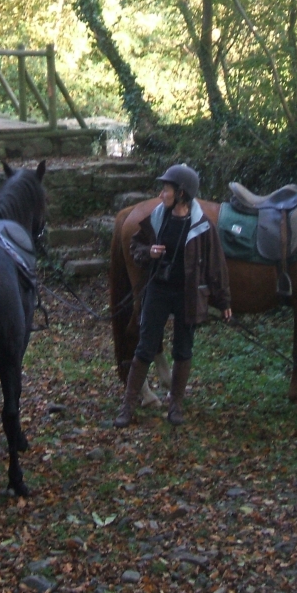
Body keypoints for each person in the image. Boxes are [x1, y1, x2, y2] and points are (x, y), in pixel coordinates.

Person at [114, 164, 232, 428]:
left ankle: (175, 406)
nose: (161, 194)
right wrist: (149, 253)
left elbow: (216, 265)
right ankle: (127, 406)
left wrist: (224, 302)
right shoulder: (157, 216)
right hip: (158, 290)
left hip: (187, 295)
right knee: (145, 347)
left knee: (183, 349)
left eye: (166, 189)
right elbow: (136, 245)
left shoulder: (202, 225)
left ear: (180, 193)